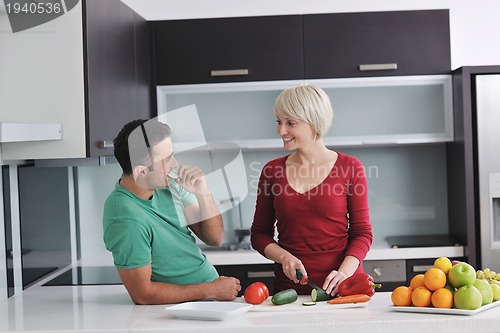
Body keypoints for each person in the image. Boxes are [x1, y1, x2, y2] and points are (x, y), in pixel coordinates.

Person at [250, 85, 373, 296]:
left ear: (314, 122)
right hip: (290, 293)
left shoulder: (350, 167)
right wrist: (284, 257)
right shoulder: (272, 171)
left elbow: (362, 233)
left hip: (344, 290)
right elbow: (259, 234)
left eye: (291, 123)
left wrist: (343, 274)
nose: (281, 131)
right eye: (279, 122)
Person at [103, 119, 241, 305]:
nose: (175, 164)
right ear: (141, 172)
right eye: (167, 160)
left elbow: (215, 238)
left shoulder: (170, 185)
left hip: (209, 298)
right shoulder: (125, 218)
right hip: (179, 309)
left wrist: (203, 193)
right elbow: (142, 294)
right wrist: (211, 290)